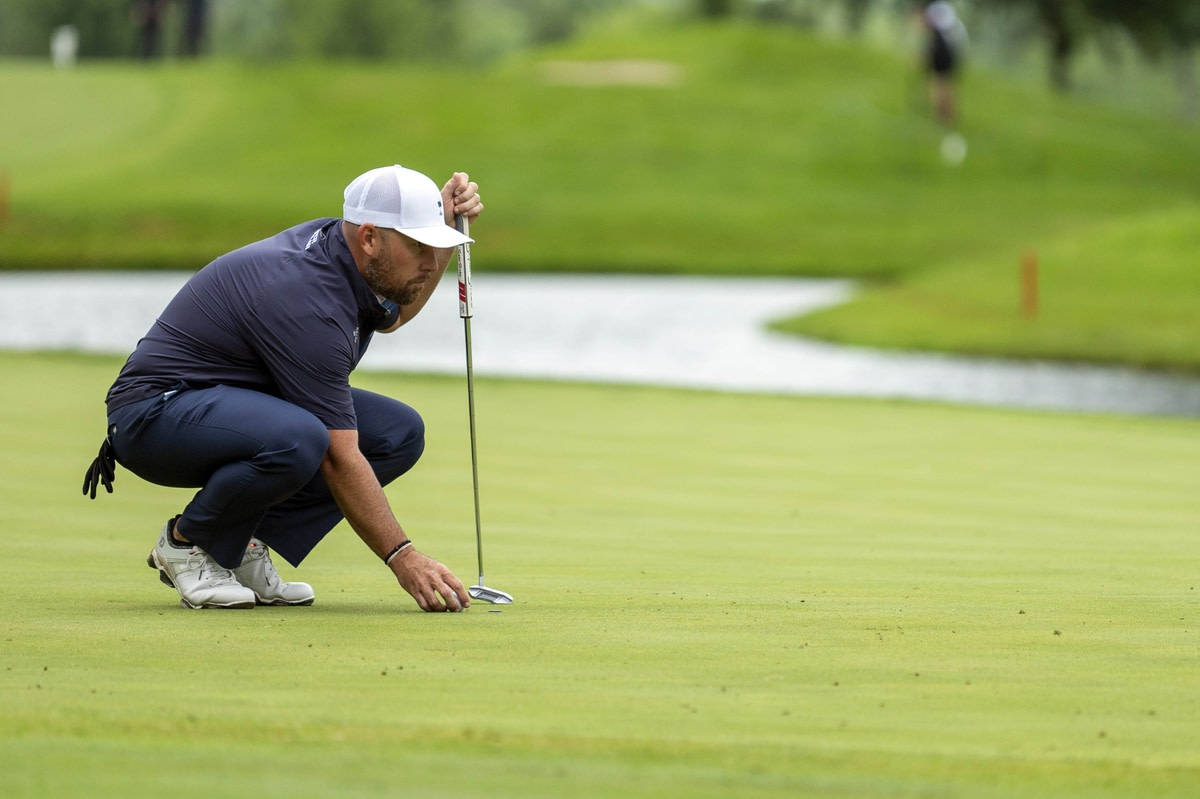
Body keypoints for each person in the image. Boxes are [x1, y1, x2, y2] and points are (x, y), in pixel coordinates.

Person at [82, 165, 484, 612]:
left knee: (396, 433)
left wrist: (443, 228)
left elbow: (397, 314)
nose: (429, 264)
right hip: (155, 414)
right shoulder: (306, 296)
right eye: (418, 247)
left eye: (435, 249)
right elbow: (337, 454)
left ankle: (240, 546)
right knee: (303, 438)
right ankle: (187, 542)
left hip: (235, 406)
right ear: (370, 238)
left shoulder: (349, 257)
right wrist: (402, 556)